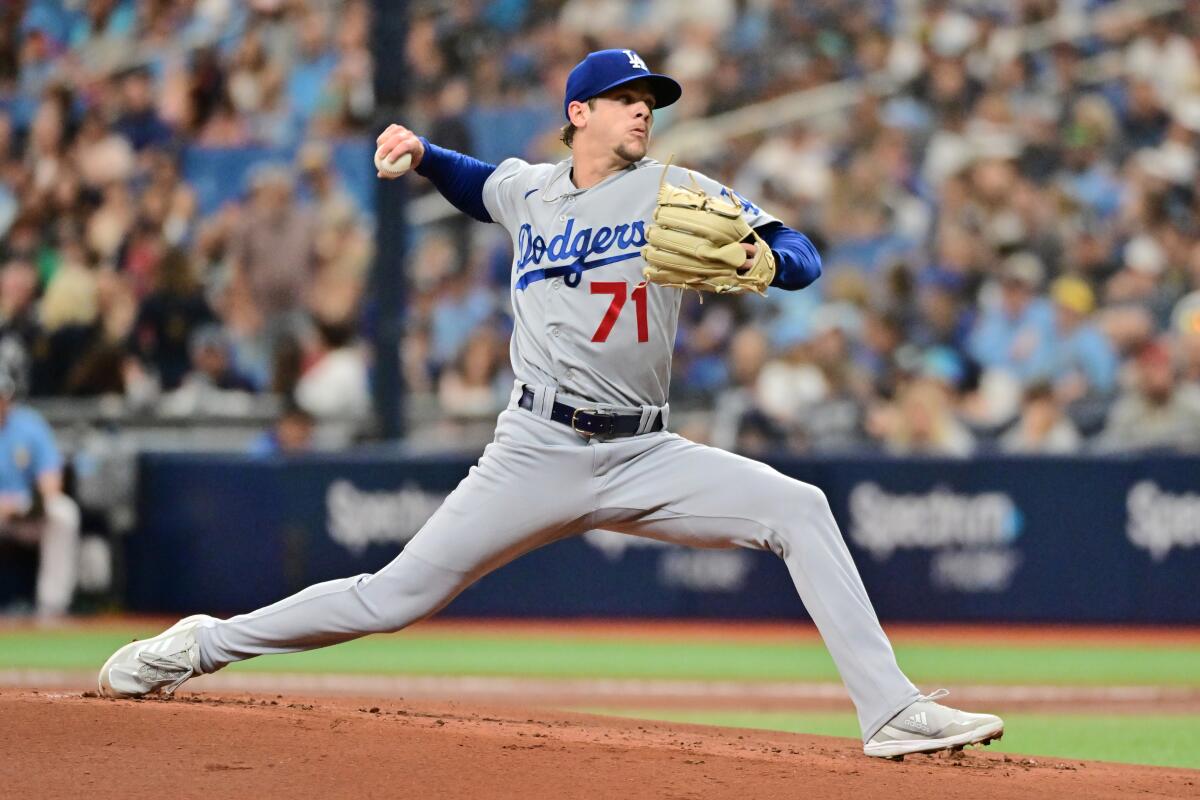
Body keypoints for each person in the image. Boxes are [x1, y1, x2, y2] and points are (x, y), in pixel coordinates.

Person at [98, 49, 1002, 760]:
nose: (644, 106)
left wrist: (773, 262)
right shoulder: (529, 190)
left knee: (799, 508)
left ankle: (888, 711)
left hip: (647, 452)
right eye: (626, 96)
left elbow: (797, 250)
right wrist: (418, 154)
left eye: (651, 96)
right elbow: (469, 174)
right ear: (581, 114)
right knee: (390, 598)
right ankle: (203, 645)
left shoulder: (675, 190)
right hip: (534, 448)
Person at [0, 367, 81, 618]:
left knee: (63, 513)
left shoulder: (29, 424)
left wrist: (27, 503)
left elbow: (51, 482)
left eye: (3, 396)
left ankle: (51, 607)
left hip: (23, 513)